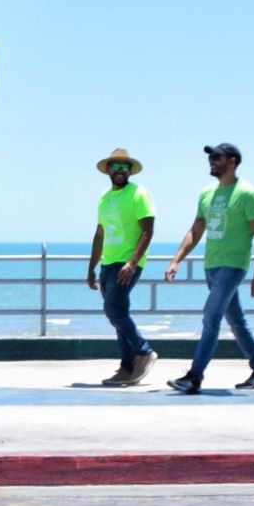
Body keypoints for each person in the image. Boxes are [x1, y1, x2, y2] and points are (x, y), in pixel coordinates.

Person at [164, 143, 254, 394]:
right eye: (211, 157)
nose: (212, 161)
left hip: (233, 266)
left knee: (211, 317)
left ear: (232, 161)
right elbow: (196, 229)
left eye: (217, 157)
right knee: (236, 321)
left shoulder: (248, 193)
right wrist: (176, 259)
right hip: (211, 266)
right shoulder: (206, 194)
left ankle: (194, 376)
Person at [86, 148, 157, 386]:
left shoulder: (139, 194)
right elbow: (99, 234)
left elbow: (147, 230)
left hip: (128, 262)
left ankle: (144, 351)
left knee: (113, 310)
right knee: (118, 314)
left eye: (124, 167)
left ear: (130, 171)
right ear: (107, 170)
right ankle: (127, 367)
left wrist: (132, 262)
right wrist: (91, 268)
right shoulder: (104, 198)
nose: (119, 170)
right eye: (114, 166)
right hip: (108, 262)